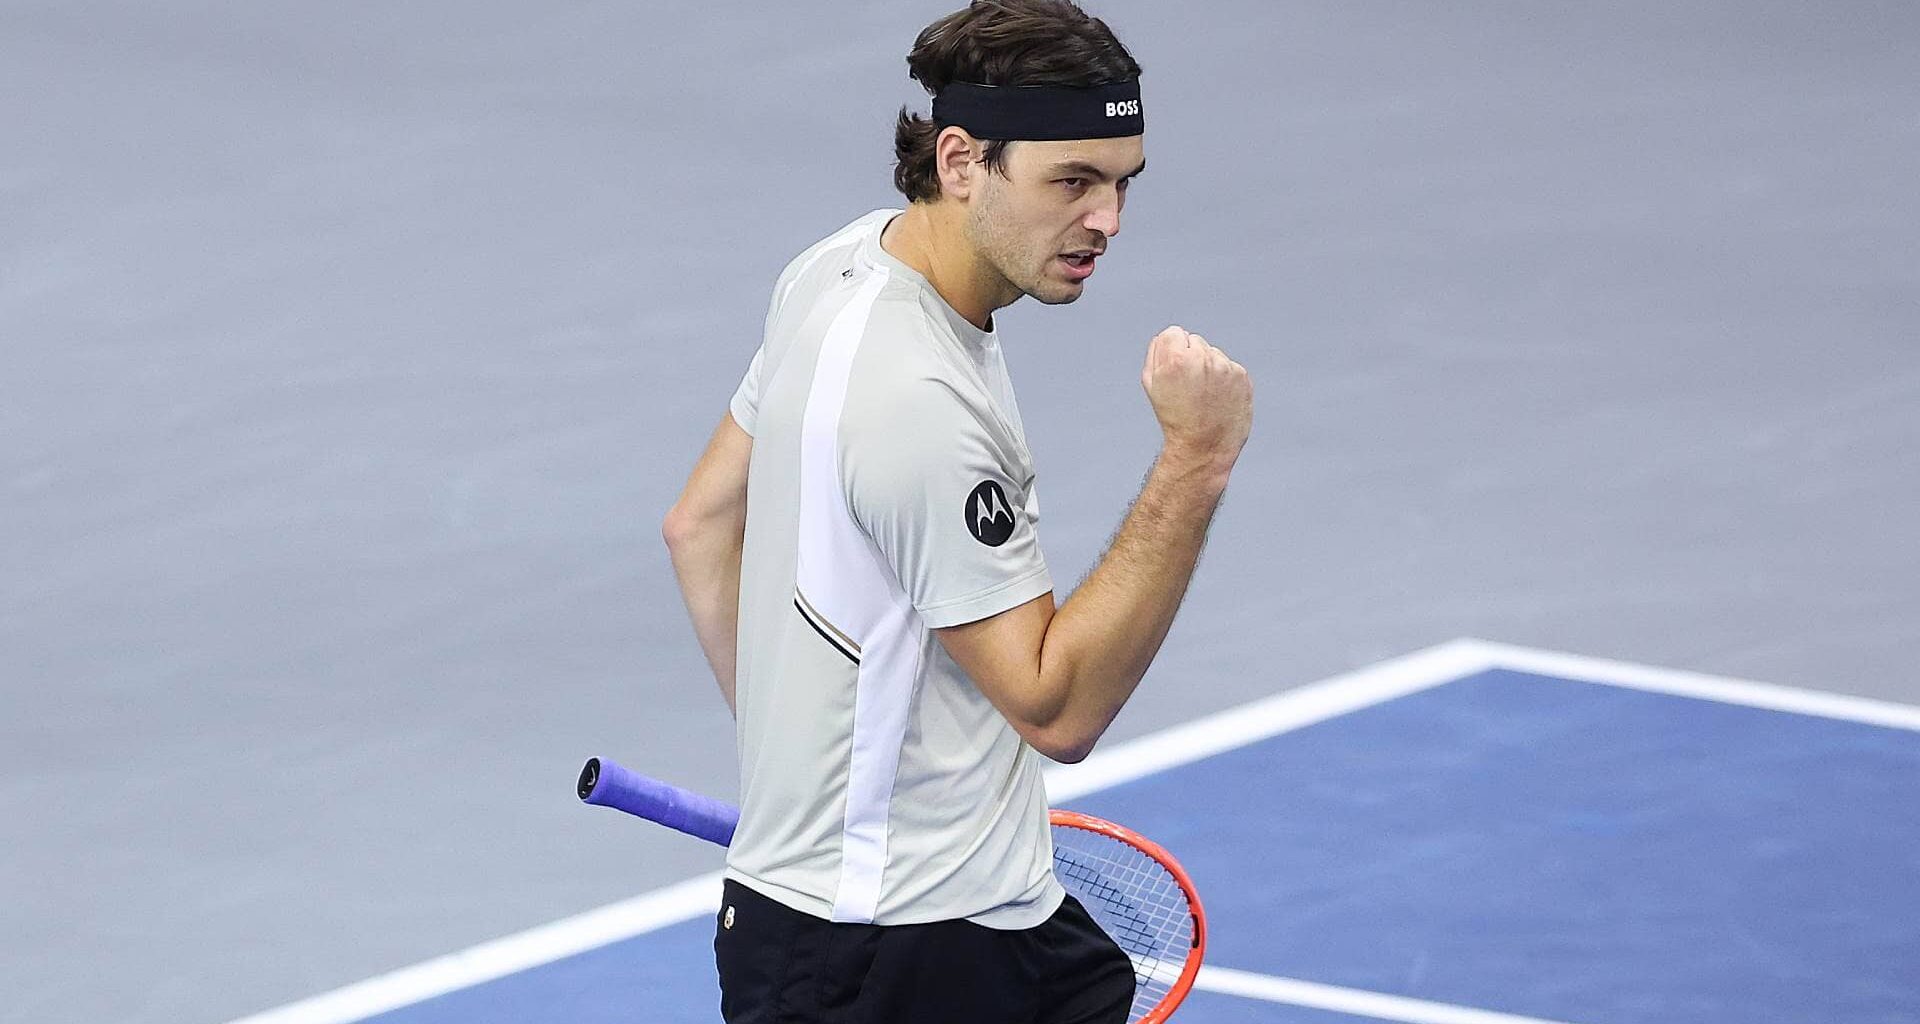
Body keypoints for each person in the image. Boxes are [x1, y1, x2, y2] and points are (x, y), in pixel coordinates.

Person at [662, 1, 1251, 1020]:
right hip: (893, 953)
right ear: (963, 159)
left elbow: (701, 524)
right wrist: (1197, 459)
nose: (1107, 219)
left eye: (1121, 183)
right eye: (1073, 180)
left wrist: (798, 784)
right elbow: (1055, 708)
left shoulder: (839, 267)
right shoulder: (917, 403)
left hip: (958, 906)